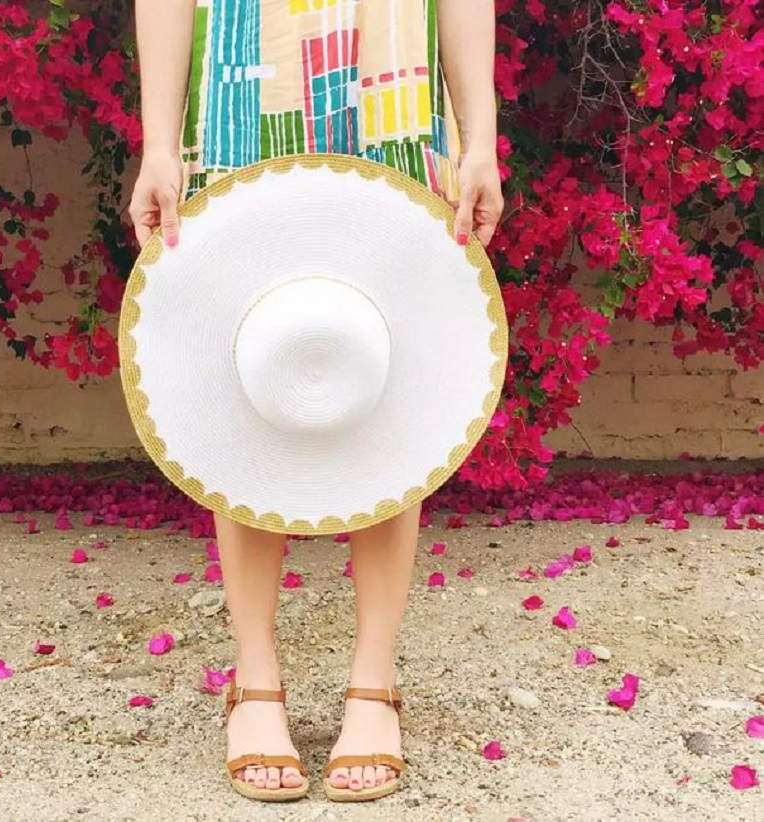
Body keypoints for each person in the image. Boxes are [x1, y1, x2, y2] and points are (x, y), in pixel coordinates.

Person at [128, 0, 503, 803]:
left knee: (386, 384)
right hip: (240, 85)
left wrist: (482, 139)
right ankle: (254, 676)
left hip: (391, 88)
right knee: (249, 378)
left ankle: (375, 682)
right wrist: (158, 144)